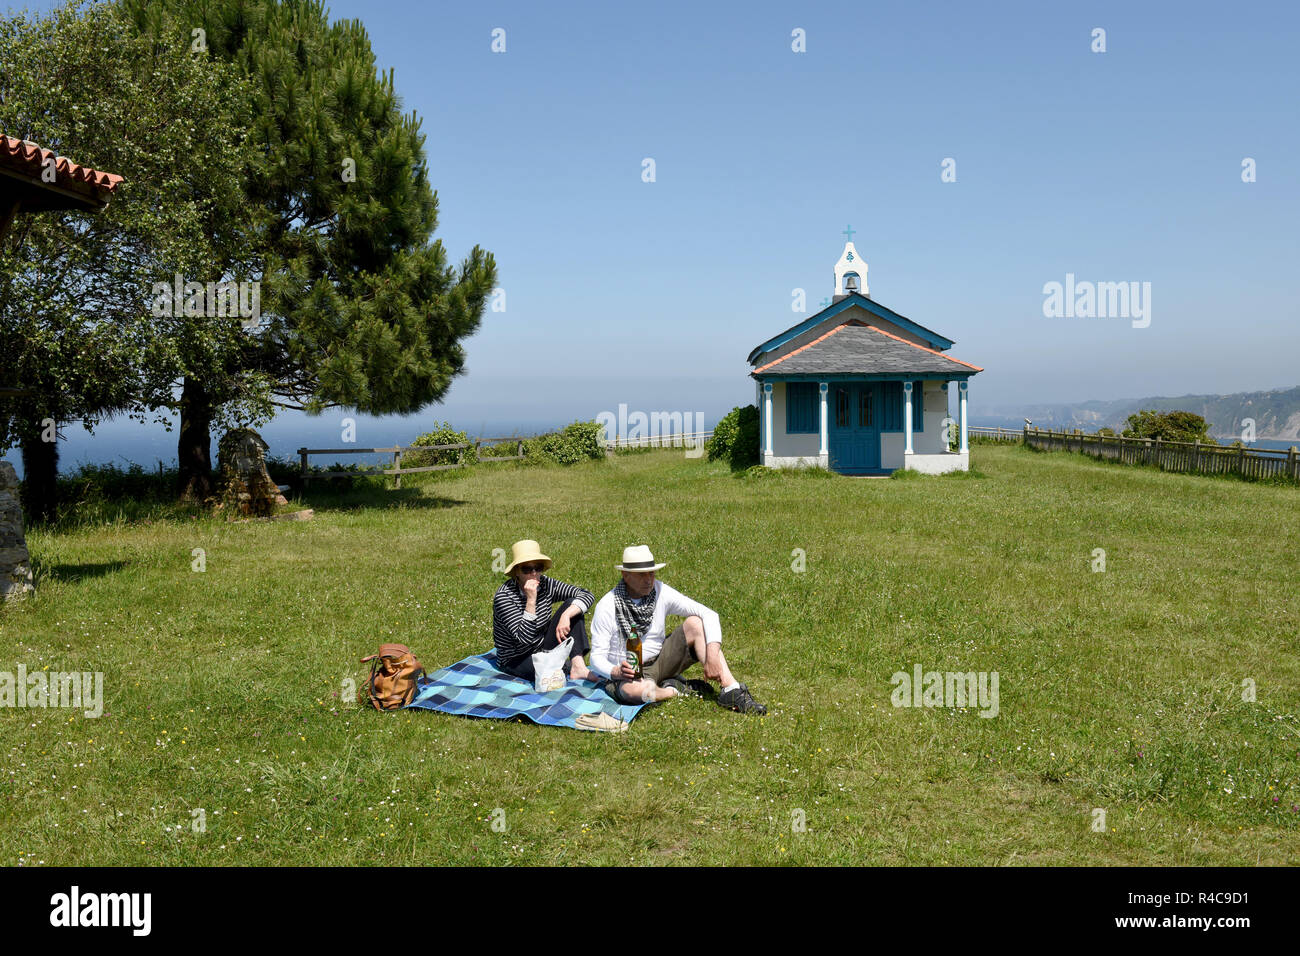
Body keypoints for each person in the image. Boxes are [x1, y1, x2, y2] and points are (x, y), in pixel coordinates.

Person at [588, 545, 767, 714]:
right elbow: (596, 658)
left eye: (652, 573)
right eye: (642, 575)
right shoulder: (607, 606)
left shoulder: (659, 591)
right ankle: (675, 690)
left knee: (696, 623)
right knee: (637, 693)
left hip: (660, 659)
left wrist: (712, 656)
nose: (649, 579)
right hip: (628, 673)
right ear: (625, 575)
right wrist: (616, 672)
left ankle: (731, 691)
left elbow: (709, 614)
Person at [492, 539, 594, 683]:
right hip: (515, 658)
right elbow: (525, 639)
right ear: (517, 573)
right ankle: (563, 666)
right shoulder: (504, 597)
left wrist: (566, 614)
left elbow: (586, 594)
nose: (534, 573)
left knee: (573, 606)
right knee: (548, 673)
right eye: (527, 569)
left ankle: (578, 665)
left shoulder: (546, 584)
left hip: (541, 646)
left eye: (538, 567)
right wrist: (531, 600)